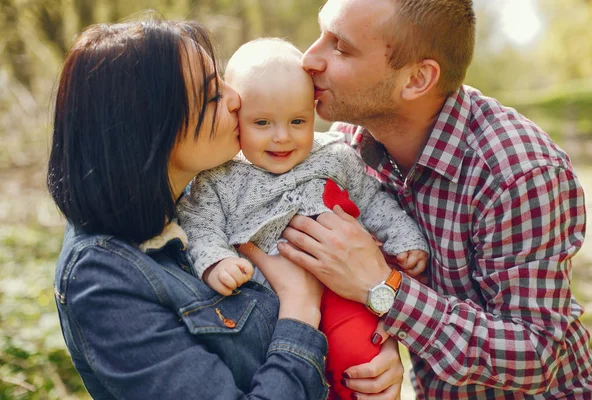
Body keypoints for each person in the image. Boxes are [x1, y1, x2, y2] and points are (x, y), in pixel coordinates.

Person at [47, 18, 403, 399]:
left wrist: (366, 351)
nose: (236, 98)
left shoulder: (203, 204)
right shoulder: (103, 278)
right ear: (151, 126)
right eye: (212, 94)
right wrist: (301, 311)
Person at [271, 0, 592, 399]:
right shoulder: (346, 149)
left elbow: (539, 354)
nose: (309, 59)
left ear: (416, 79)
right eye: (322, 33)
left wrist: (384, 291)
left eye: (340, 46)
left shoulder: (518, 173)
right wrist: (381, 339)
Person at [177, 37, 428, 400]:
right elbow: (200, 225)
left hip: (343, 289)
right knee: (283, 373)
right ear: (237, 119)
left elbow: (373, 200)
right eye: (262, 122)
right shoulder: (219, 177)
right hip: (263, 302)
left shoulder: (335, 156)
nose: (282, 137)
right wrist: (216, 260)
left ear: (315, 112)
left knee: (361, 363)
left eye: (298, 121)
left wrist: (403, 236)